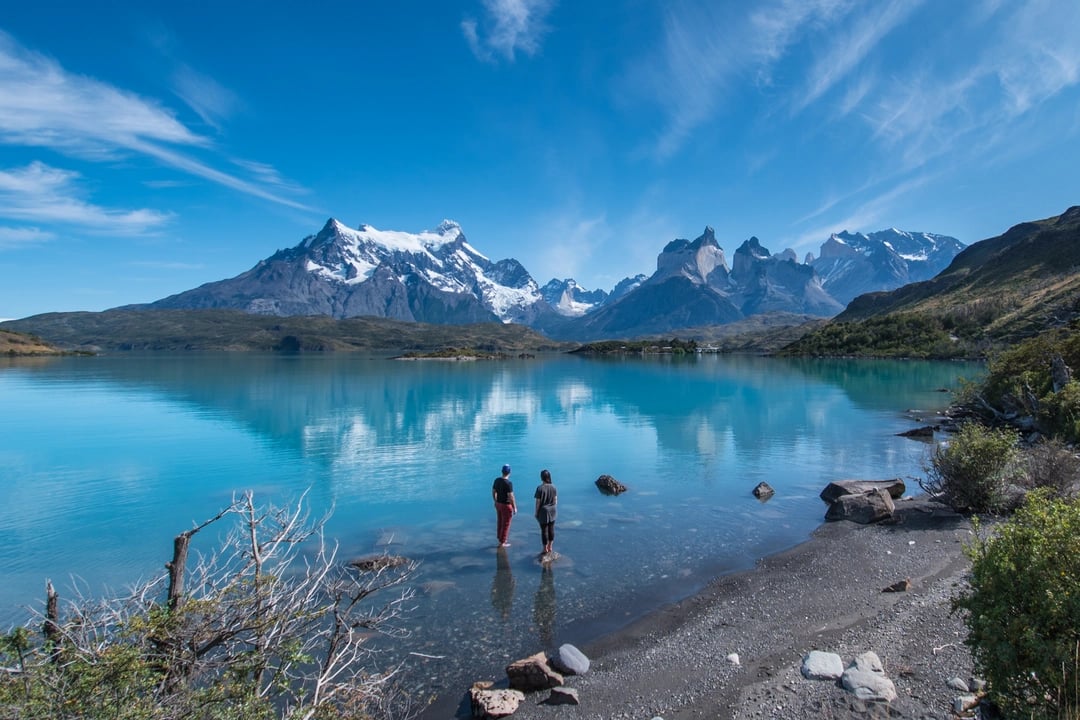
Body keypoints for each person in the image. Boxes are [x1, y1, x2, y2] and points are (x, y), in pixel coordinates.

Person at [492, 463, 517, 547]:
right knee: (506, 523)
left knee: (500, 521)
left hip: (498, 504)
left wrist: (495, 500)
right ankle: (503, 542)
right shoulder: (508, 483)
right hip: (506, 505)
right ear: (509, 472)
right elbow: (511, 496)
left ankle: (499, 537)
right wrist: (514, 507)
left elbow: (493, 491)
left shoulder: (497, 480)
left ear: (502, 471)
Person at [534, 468, 557, 555]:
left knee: (544, 530)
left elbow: (538, 502)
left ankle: (544, 549)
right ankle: (550, 547)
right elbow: (555, 500)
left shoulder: (540, 488)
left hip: (543, 511)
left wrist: (536, 513)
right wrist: (552, 506)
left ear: (541, 478)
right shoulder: (554, 487)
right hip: (553, 510)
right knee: (551, 529)